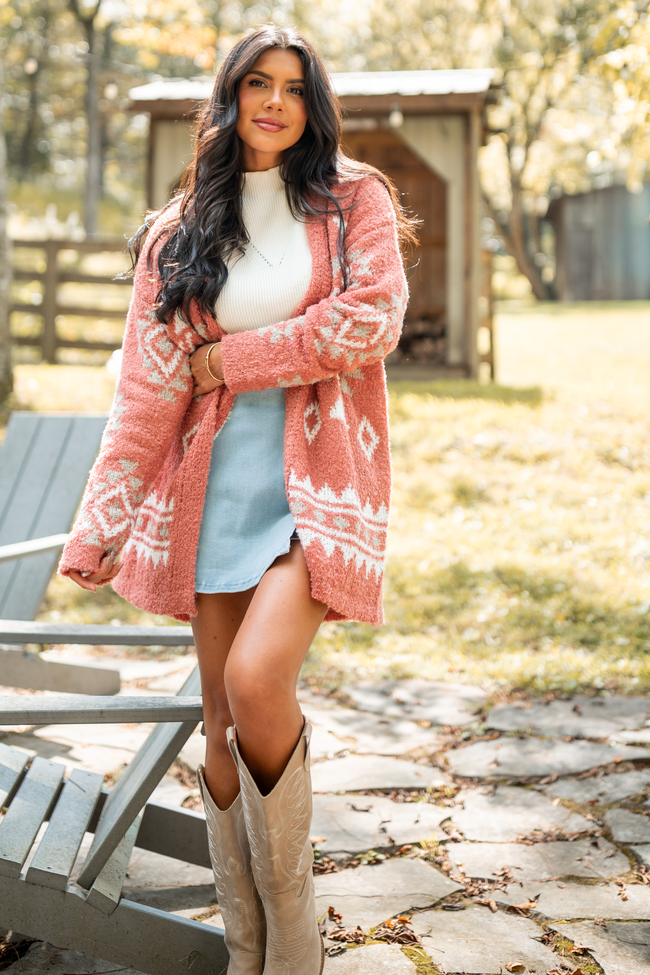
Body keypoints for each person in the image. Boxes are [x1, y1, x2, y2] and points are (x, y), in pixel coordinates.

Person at [60, 24, 413, 975]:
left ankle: (297, 948)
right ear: (229, 98)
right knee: (219, 736)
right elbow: (146, 393)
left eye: (294, 88)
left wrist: (233, 358)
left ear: (314, 105)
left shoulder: (353, 202)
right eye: (256, 83)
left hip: (316, 484)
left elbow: (372, 318)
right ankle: (246, 951)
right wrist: (100, 527)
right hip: (209, 493)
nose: (274, 102)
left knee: (260, 683)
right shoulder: (178, 235)